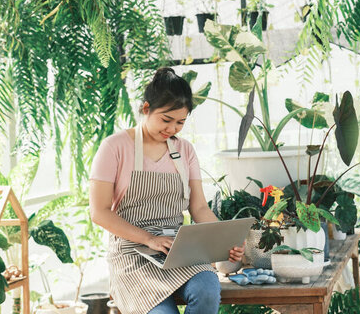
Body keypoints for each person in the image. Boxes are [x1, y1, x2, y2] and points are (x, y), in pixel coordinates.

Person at [89, 67, 244, 314]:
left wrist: (224, 242)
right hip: (132, 254)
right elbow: (99, 212)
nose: (172, 129)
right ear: (146, 109)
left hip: (178, 249)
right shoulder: (114, 147)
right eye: (166, 120)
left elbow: (199, 208)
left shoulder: (185, 151)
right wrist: (149, 238)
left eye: (180, 122)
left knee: (207, 290)